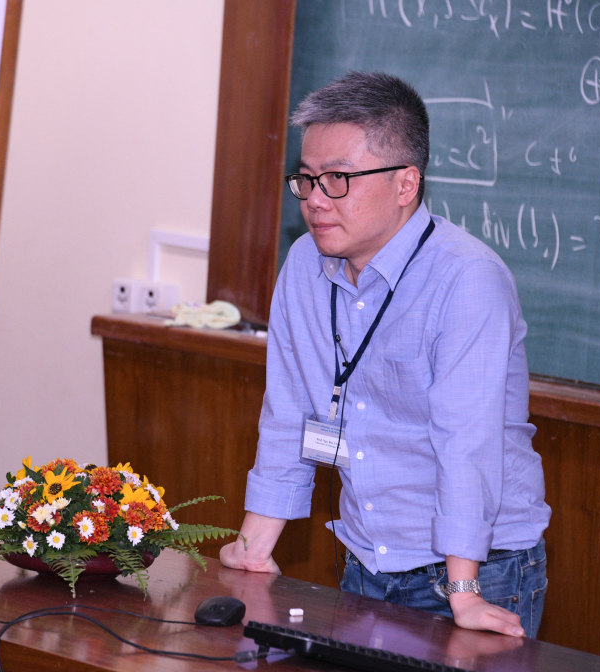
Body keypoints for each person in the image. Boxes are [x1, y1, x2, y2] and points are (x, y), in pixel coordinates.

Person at [219, 72, 551, 638]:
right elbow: (288, 415)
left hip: (477, 569)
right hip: (367, 556)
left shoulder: (466, 279)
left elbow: (466, 443)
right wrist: (253, 546)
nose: (315, 200)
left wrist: (464, 593)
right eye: (306, 179)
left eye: (338, 179)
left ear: (406, 184)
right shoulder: (304, 265)